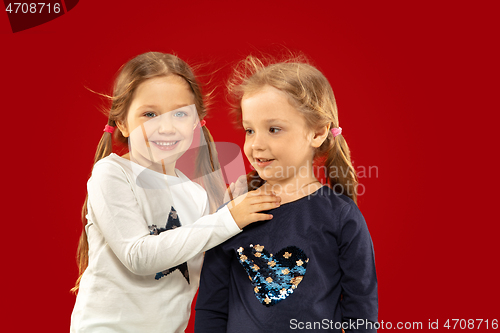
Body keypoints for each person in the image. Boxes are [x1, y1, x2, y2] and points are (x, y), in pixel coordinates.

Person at [70, 52, 281, 333]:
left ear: (195, 122)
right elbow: (138, 256)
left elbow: (206, 253)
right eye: (150, 114)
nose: (167, 127)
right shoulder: (112, 173)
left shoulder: (196, 196)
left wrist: (231, 208)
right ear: (122, 122)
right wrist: (228, 218)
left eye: (180, 113)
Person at [195, 55, 378, 332]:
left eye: (274, 129)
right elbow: (212, 305)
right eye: (249, 130)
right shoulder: (235, 212)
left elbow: (361, 306)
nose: (256, 144)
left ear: (317, 133)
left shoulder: (340, 216)